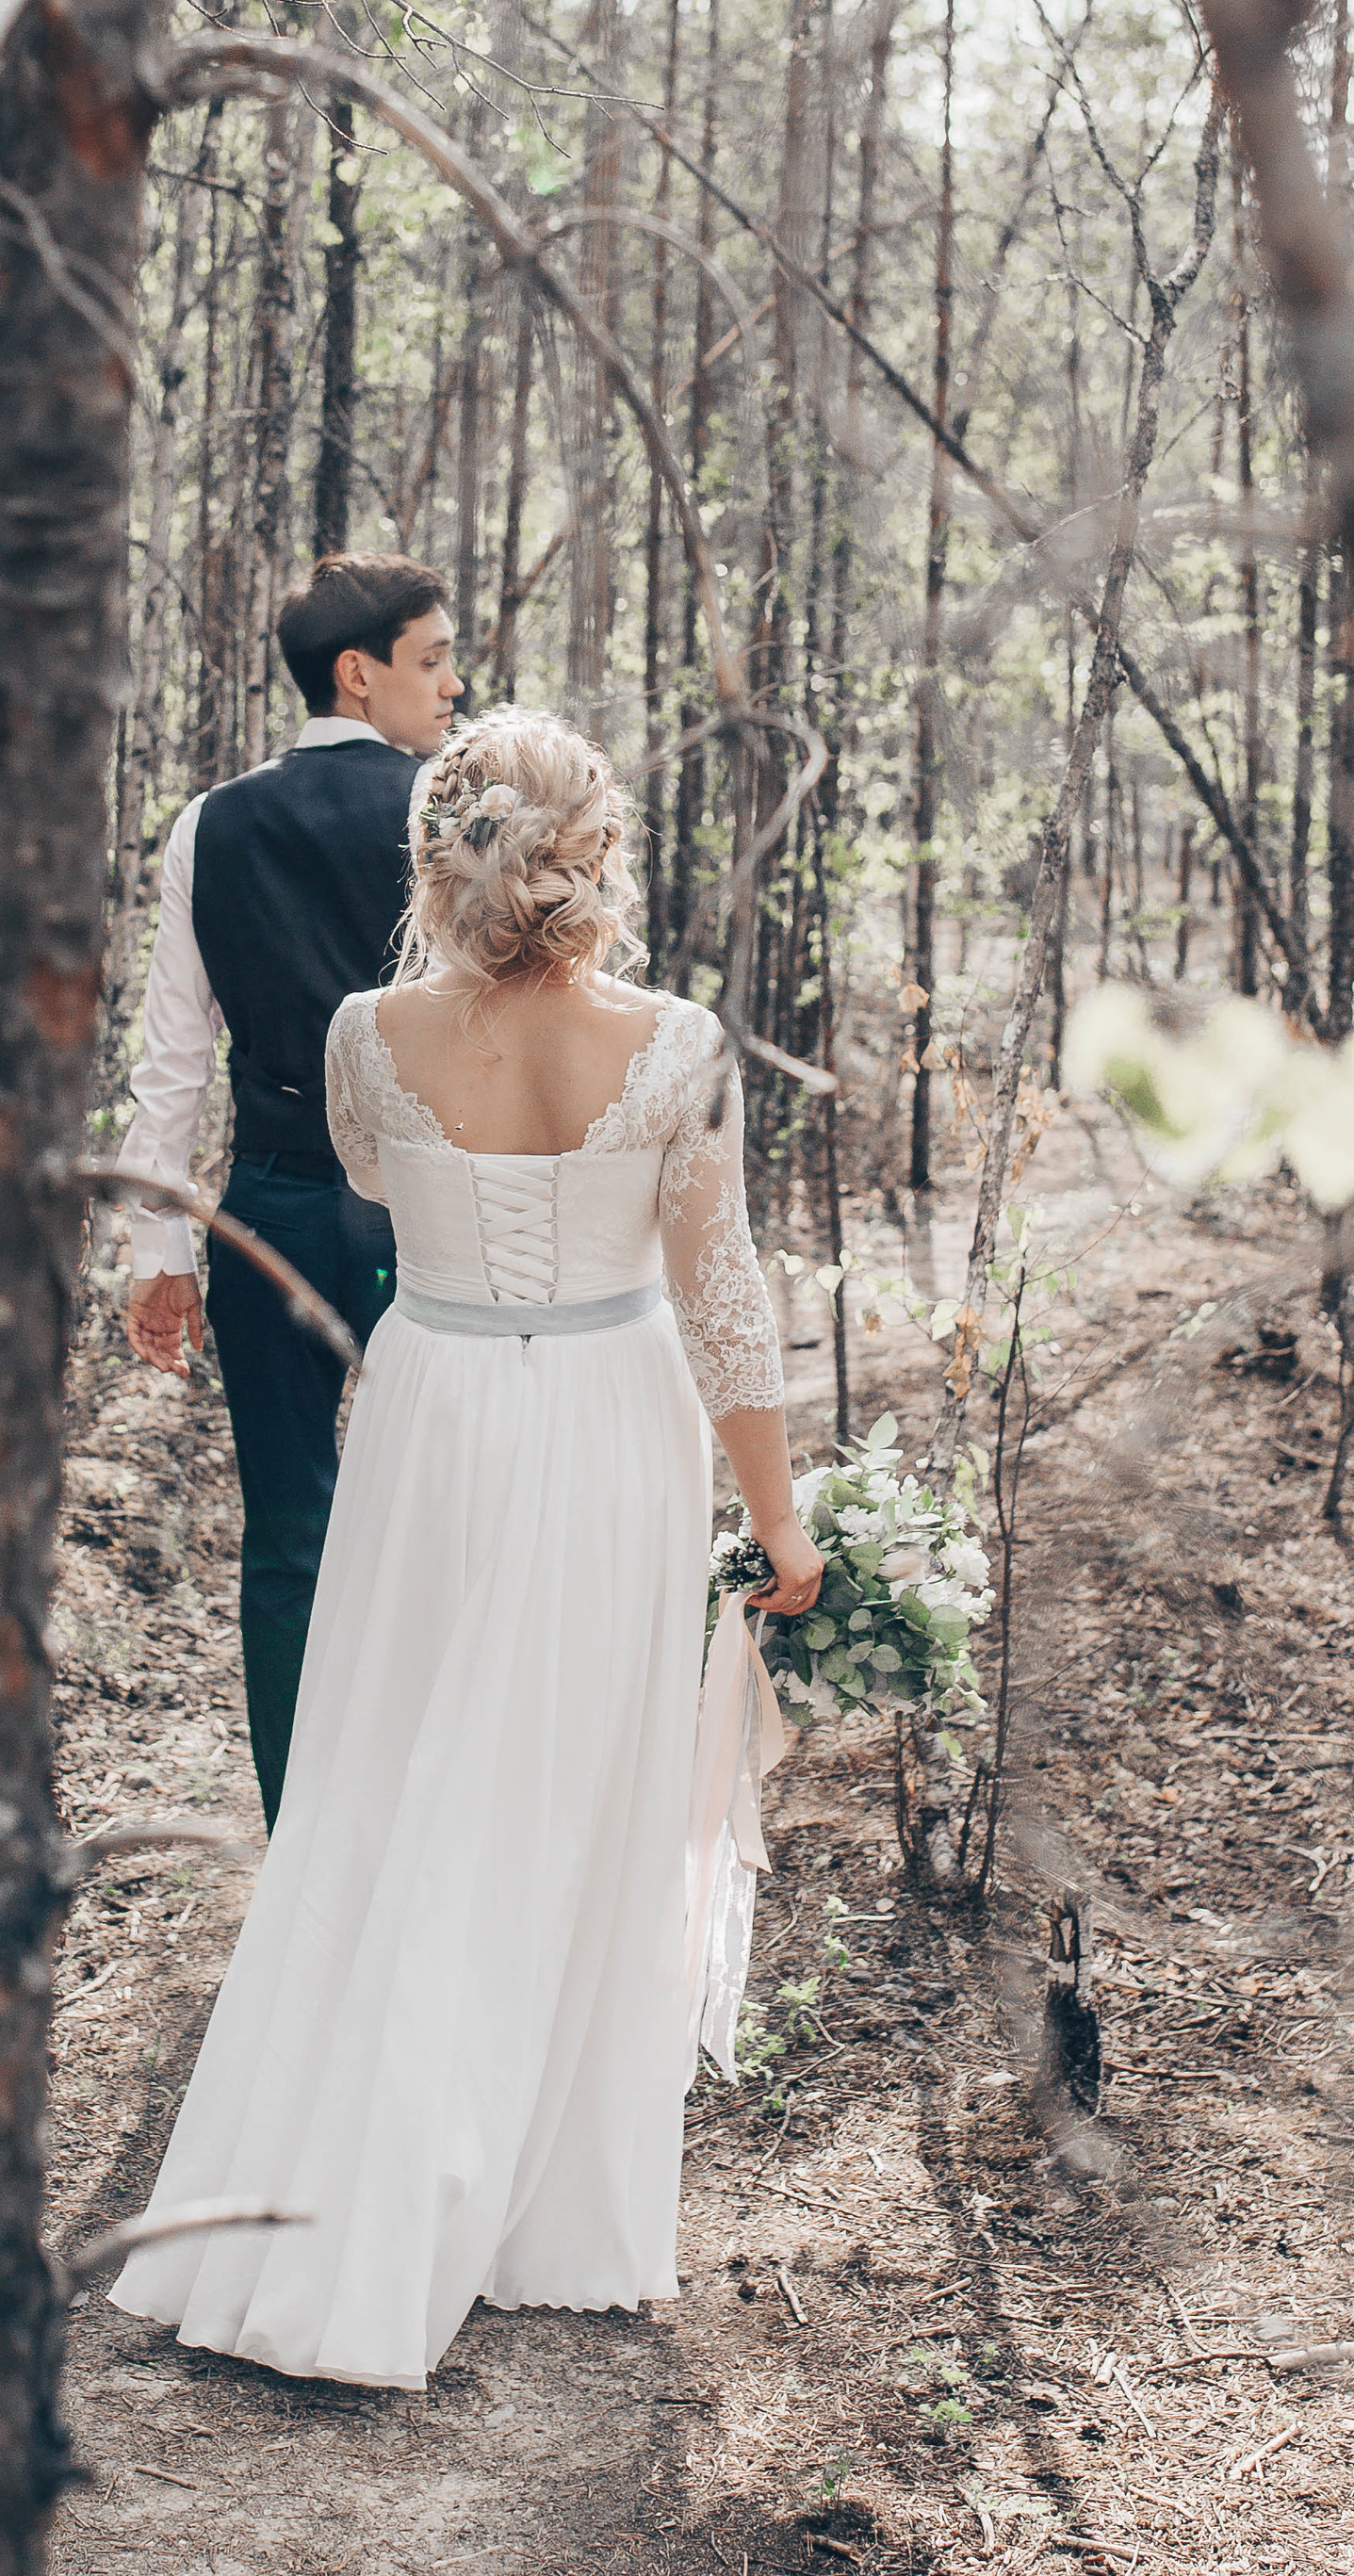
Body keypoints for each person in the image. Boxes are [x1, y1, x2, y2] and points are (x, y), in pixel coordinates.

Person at [110, 708, 825, 2390]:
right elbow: (721, 1297)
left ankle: (382, 2174)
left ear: (437, 859)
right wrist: (779, 1512)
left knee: (397, 1770)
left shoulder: (366, 1034)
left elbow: (369, 1175)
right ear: (599, 855)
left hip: (432, 1413)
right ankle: (511, 2203)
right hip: (608, 1416)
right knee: (566, 1790)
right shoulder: (680, 1040)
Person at [116, 551, 464, 1826]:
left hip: (271, 1212)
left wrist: (162, 1249)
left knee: (288, 1539)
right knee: (453, 1513)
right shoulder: (457, 810)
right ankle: (440, 1809)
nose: (454, 682)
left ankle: (306, 1829)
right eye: (433, 659)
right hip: (437, 1212)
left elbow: (173, 1057)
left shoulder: (209, 824)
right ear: (357, 673)